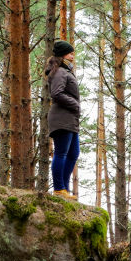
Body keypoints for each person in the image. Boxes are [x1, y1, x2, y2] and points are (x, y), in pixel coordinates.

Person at [44, 40, 80, 200]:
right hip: (61, 118)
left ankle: (64, 190)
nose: (73, 55)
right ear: (63, 54)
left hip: (70, 118)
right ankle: (59, 189)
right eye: (70, 52)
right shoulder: (59, 72)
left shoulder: (65, 71)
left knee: (73, 153)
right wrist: (75, 104)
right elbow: (56, 93)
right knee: (61, 152)